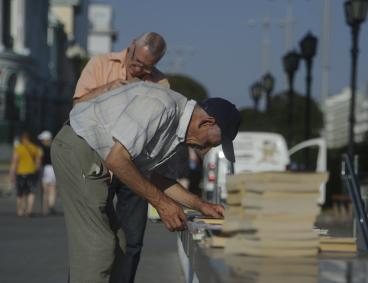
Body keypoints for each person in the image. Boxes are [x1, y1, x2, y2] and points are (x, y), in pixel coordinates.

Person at [51, 81, 241, 282]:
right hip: (79, 147)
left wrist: (201, 205)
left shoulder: (177, 131)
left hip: (92, 156)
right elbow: (117, 160)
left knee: (119, 245)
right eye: (212, 142)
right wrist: (162, 203)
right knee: (98, 246)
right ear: (206, 122)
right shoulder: (161, 106)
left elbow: (159, 179)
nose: (207, 148)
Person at [73, 31, 169, 282]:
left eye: (147, 68)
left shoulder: (161, 84)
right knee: (90, 237)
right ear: (130, 48)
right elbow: (77, 106)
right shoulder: (100, 64)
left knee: (133, 240)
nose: (139, 70)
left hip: (134, 167)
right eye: (137, 62)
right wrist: (108, 90)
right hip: (96, 162)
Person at [9, 131, 42, 217]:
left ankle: (20, 210)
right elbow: (38, 163)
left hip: (21, 173)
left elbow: (14, 162)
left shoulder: (19, 148)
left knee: (20, 193)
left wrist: (12, 173)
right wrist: (37, 172)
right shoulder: (35, 148)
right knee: (31, 192)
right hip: (31, 172)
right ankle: (29, 210)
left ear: (22, 139)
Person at [38, 130, 57, 216]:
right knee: (52, 189)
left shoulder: (41, 148)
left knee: (45, 190)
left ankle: (44, 209)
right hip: (53, 169)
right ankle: (51, 205)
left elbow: (39, 159)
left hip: (45, 169)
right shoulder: (54, 147)